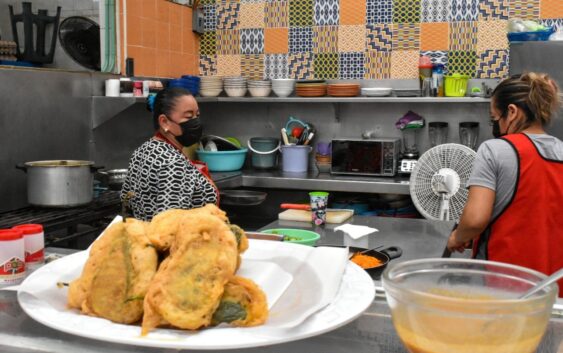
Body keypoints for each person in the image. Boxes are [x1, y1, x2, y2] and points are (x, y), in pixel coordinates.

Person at [446, 72, 563, 296]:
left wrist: (457, 237)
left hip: (503, 286)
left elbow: (474, 220)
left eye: (494, 119)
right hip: (553, 288)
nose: (495, 126)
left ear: (511, 112)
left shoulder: (494, 149)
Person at [121, 87, 218, 221]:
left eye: (197, 115)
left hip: (145, 235)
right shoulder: (173, 164)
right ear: (164, 122)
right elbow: (170, 226)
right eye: (189, 117)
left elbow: (126, 199)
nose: (196, 122)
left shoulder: (142, 151)